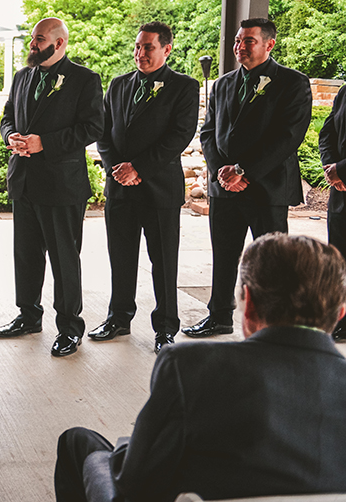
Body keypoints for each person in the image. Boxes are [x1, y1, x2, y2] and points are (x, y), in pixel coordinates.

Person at [55, 233, 346, 502]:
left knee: (78, 442)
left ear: (250, 304)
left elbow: (132, 482)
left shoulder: (189, 365)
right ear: (340, 312)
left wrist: (129, 448)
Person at [183, 18, 311, 337]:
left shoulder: (292, 82)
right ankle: (219, 316)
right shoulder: (224, 83)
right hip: (225, 190)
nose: (240, 47)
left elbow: (288, 136)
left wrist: (243, 171)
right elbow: (209, 132)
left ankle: (277, 325)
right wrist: (221, 172)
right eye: (238, 41)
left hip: (267, 189)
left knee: (273, 262)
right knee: (224, 255)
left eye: (248, 41)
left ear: (269, 44)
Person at [0, 17, 104, 357]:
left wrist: (46, 143)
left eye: (39, 39)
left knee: (64, 259)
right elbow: (8, 116)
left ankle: (70, 328)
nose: (32, 45)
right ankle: (28, 316)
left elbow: (93, 128)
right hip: (24, 181)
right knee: (25, 255)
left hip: (62, 186)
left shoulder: (85, 80)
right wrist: (10, 135)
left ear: (58, 44)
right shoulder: (22, 76)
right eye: (32, 39)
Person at [90, 22, 200, 353]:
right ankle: (119, 317)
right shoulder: (119, 84)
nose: (140, 54)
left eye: (148, 47)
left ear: (166, 49)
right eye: (137, 47)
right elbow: (103, 130)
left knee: (163, 261)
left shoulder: (184, 86)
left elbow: (180, 135)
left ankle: (166, 327)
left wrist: (138, 168)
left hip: (159, 188)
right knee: (120, 257)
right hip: (120, 188)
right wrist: (115, 169)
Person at [321, 81, 346, 341]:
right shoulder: (344, 91)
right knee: (339, 261)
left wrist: (343, 168)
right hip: (341, 194)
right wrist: (331, 167)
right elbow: (327, 132)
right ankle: (342, 321)